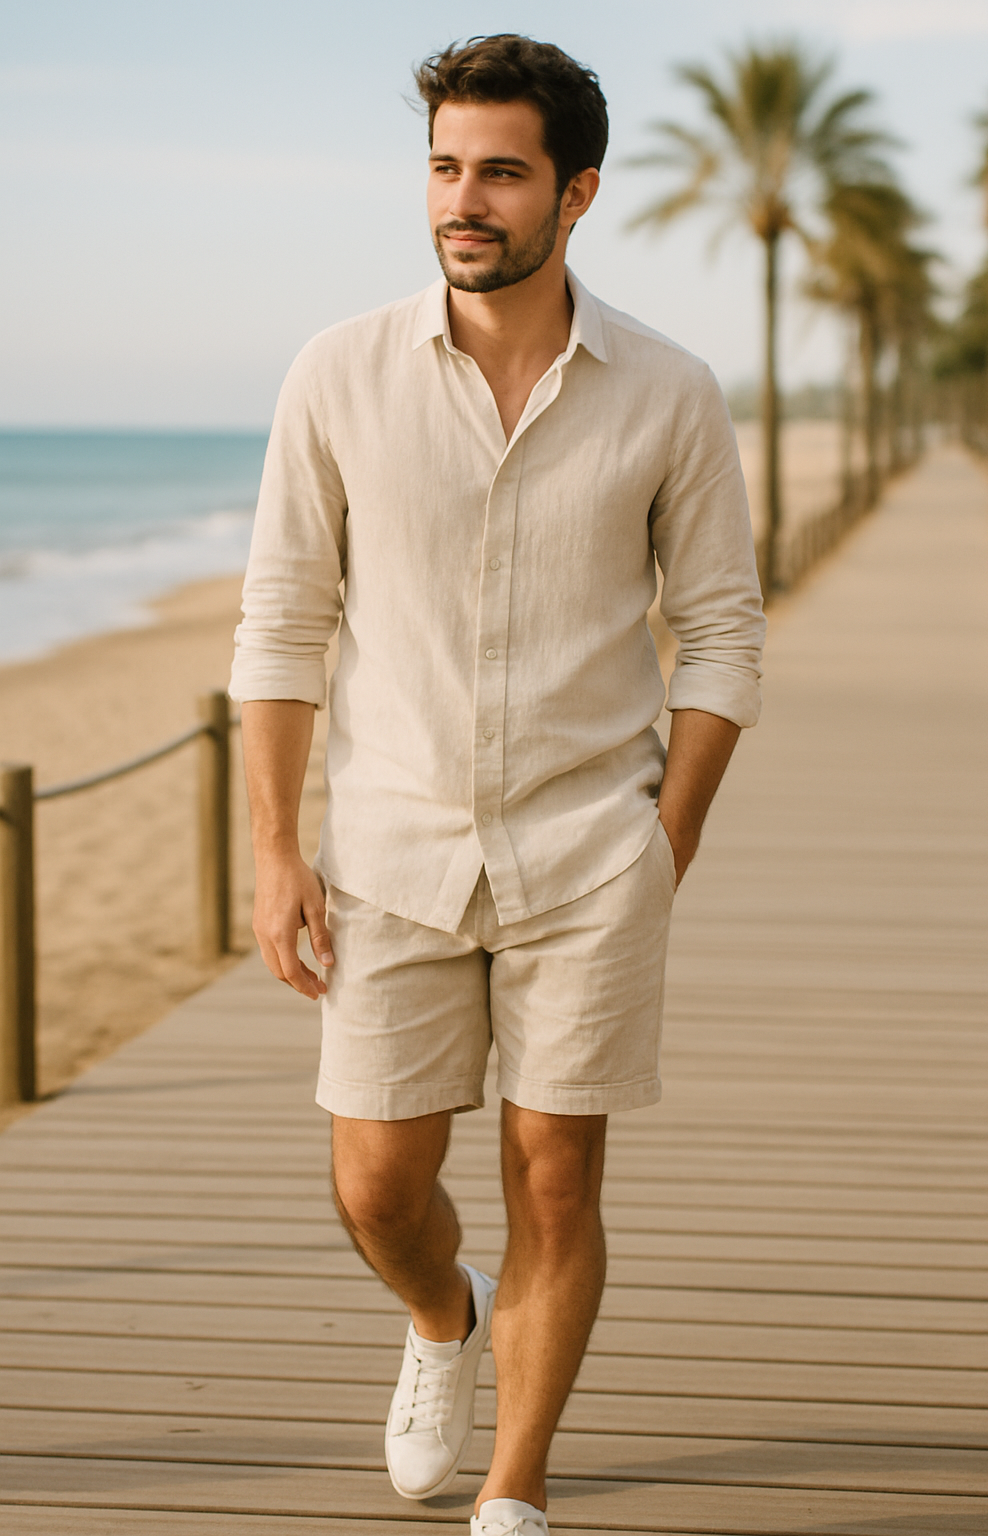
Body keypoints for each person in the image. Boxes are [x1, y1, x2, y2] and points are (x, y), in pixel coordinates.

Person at [230, 33, 764, 1536]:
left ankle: (516, 1493)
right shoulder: (337, 375)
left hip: (592, 850)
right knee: (379, 1188)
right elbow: (281, 622)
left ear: (577, 192)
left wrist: (668, 836)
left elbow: (722, 632)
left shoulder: (668, 390)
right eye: (446, 167)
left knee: (553, 1177)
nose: (463, 201)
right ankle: (443, 1318)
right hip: (390, 845)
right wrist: (277, 852)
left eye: (502, 173)